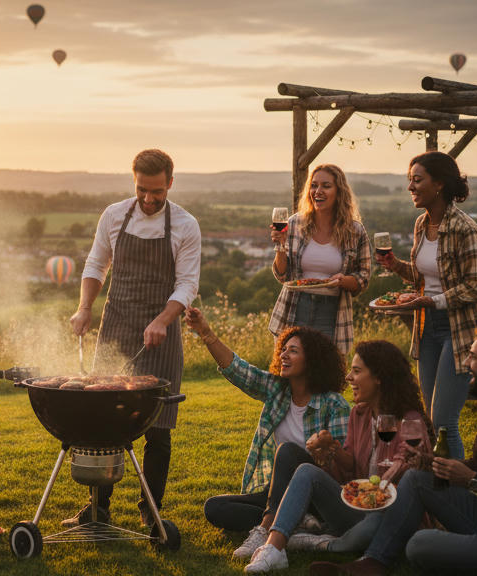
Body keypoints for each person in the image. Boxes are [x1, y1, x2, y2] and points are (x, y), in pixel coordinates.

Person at [310, 324, 477, 576]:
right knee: (415, 477)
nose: (466, 363)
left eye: (474, 357)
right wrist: (429, 462)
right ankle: (373, 562)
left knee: (419, 545)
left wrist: (472, 481)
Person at [67, 148, 201, 527]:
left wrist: (162, 320)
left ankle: (150, 512)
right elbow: (97, 264)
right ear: (134, 181)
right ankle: (98, 509)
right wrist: (84, 307)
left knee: (158, 429)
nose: (148, 198)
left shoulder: (186, 225)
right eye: (142, 189)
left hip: (162, 332)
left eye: (157, 191)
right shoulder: (114, 215)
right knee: (103, 421)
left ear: (170, 183)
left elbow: (187, 283)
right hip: (117, 325)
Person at [242, 340, 432, 573]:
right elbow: (350, 466)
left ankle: (320, 542)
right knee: (306, 471)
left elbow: (413, 462)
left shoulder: (410, 419)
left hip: (390, 516)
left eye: (357, 371)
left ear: (379, 377)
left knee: (372, 527)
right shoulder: (359, 414)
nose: (349, 378)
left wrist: (396, 468)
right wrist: (331, 447)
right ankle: (274, 548)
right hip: (357, 507)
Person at [185, 306, 350, 562]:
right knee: (215, 507)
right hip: (279, 492)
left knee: (288, 453)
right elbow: (238, 370)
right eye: (283, 349)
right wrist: (206, 333)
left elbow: (345, 470)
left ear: (312, 360)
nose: (283, 354)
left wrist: (327, 450)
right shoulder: (277, 390)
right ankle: (296, 525)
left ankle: (265, 529)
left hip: (317, 494)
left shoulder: (334, 404)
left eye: (293, 351)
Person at [375, 151, 477, 460]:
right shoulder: (421, 224)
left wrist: (434, 300)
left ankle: (455, 484)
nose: (410, 187)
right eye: (409, 180)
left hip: (460, 331)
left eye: (417, 180)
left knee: (443, 422)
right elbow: (423, 278)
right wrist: (395, 265)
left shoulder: (466, 229)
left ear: (439, 184)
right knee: (430, 419)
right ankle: (436, 480)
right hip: (426, 327)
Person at [269, 164, 371, 355]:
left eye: (326, 186)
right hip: (295, 307)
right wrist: (280, 246)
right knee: (290, 370)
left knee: (326, 370)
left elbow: (363, 278)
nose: (318, 191)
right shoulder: (294, 223)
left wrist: (343, 280)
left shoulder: (355, 231)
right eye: (314, 185)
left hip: (332, 312)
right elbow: (283, 276)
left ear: (339, 192)